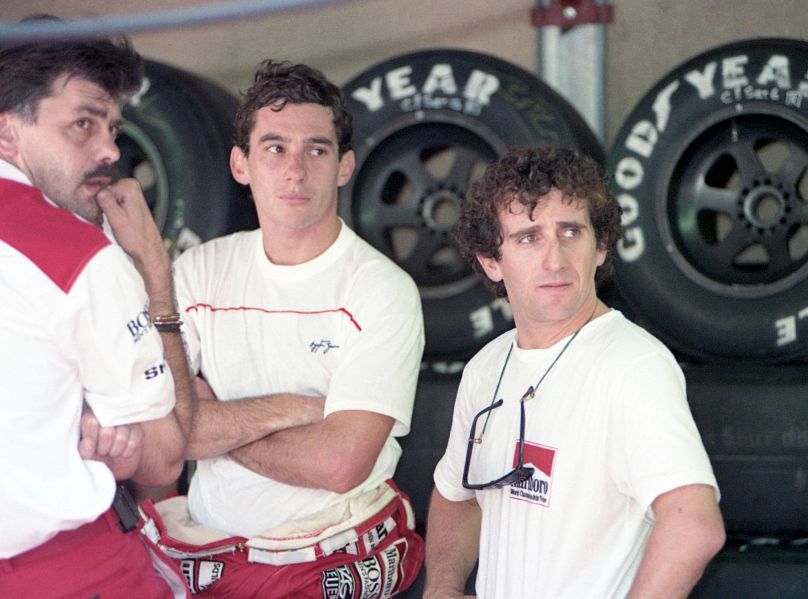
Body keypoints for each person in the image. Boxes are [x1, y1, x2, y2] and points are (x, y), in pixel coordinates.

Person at [140, 60, 425, 598]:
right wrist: (294, 410)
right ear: (240, 164)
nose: (295, 170)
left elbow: (339, 464)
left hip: (334, 552)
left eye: (315, 150)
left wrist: (212, 429)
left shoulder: (381, 290)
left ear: (344, 166)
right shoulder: (198, 272)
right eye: (274, 148)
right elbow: (167, 435)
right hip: (209, 553)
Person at [423, 146, 725, 599]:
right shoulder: (487, 366)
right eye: (528, 237)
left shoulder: (634, 365)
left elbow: (694, 526)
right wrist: (442, 588)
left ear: (600, 246)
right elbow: (457, 494)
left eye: (570, 232)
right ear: (491, 261)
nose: (555, 260)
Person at [0, 17, 194, 599]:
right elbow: (163, 459)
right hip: (68, 572)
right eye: (82, 123)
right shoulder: (81, 257)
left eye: (110, 126)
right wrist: (153, 271)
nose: (110, 149)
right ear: (7, 132)